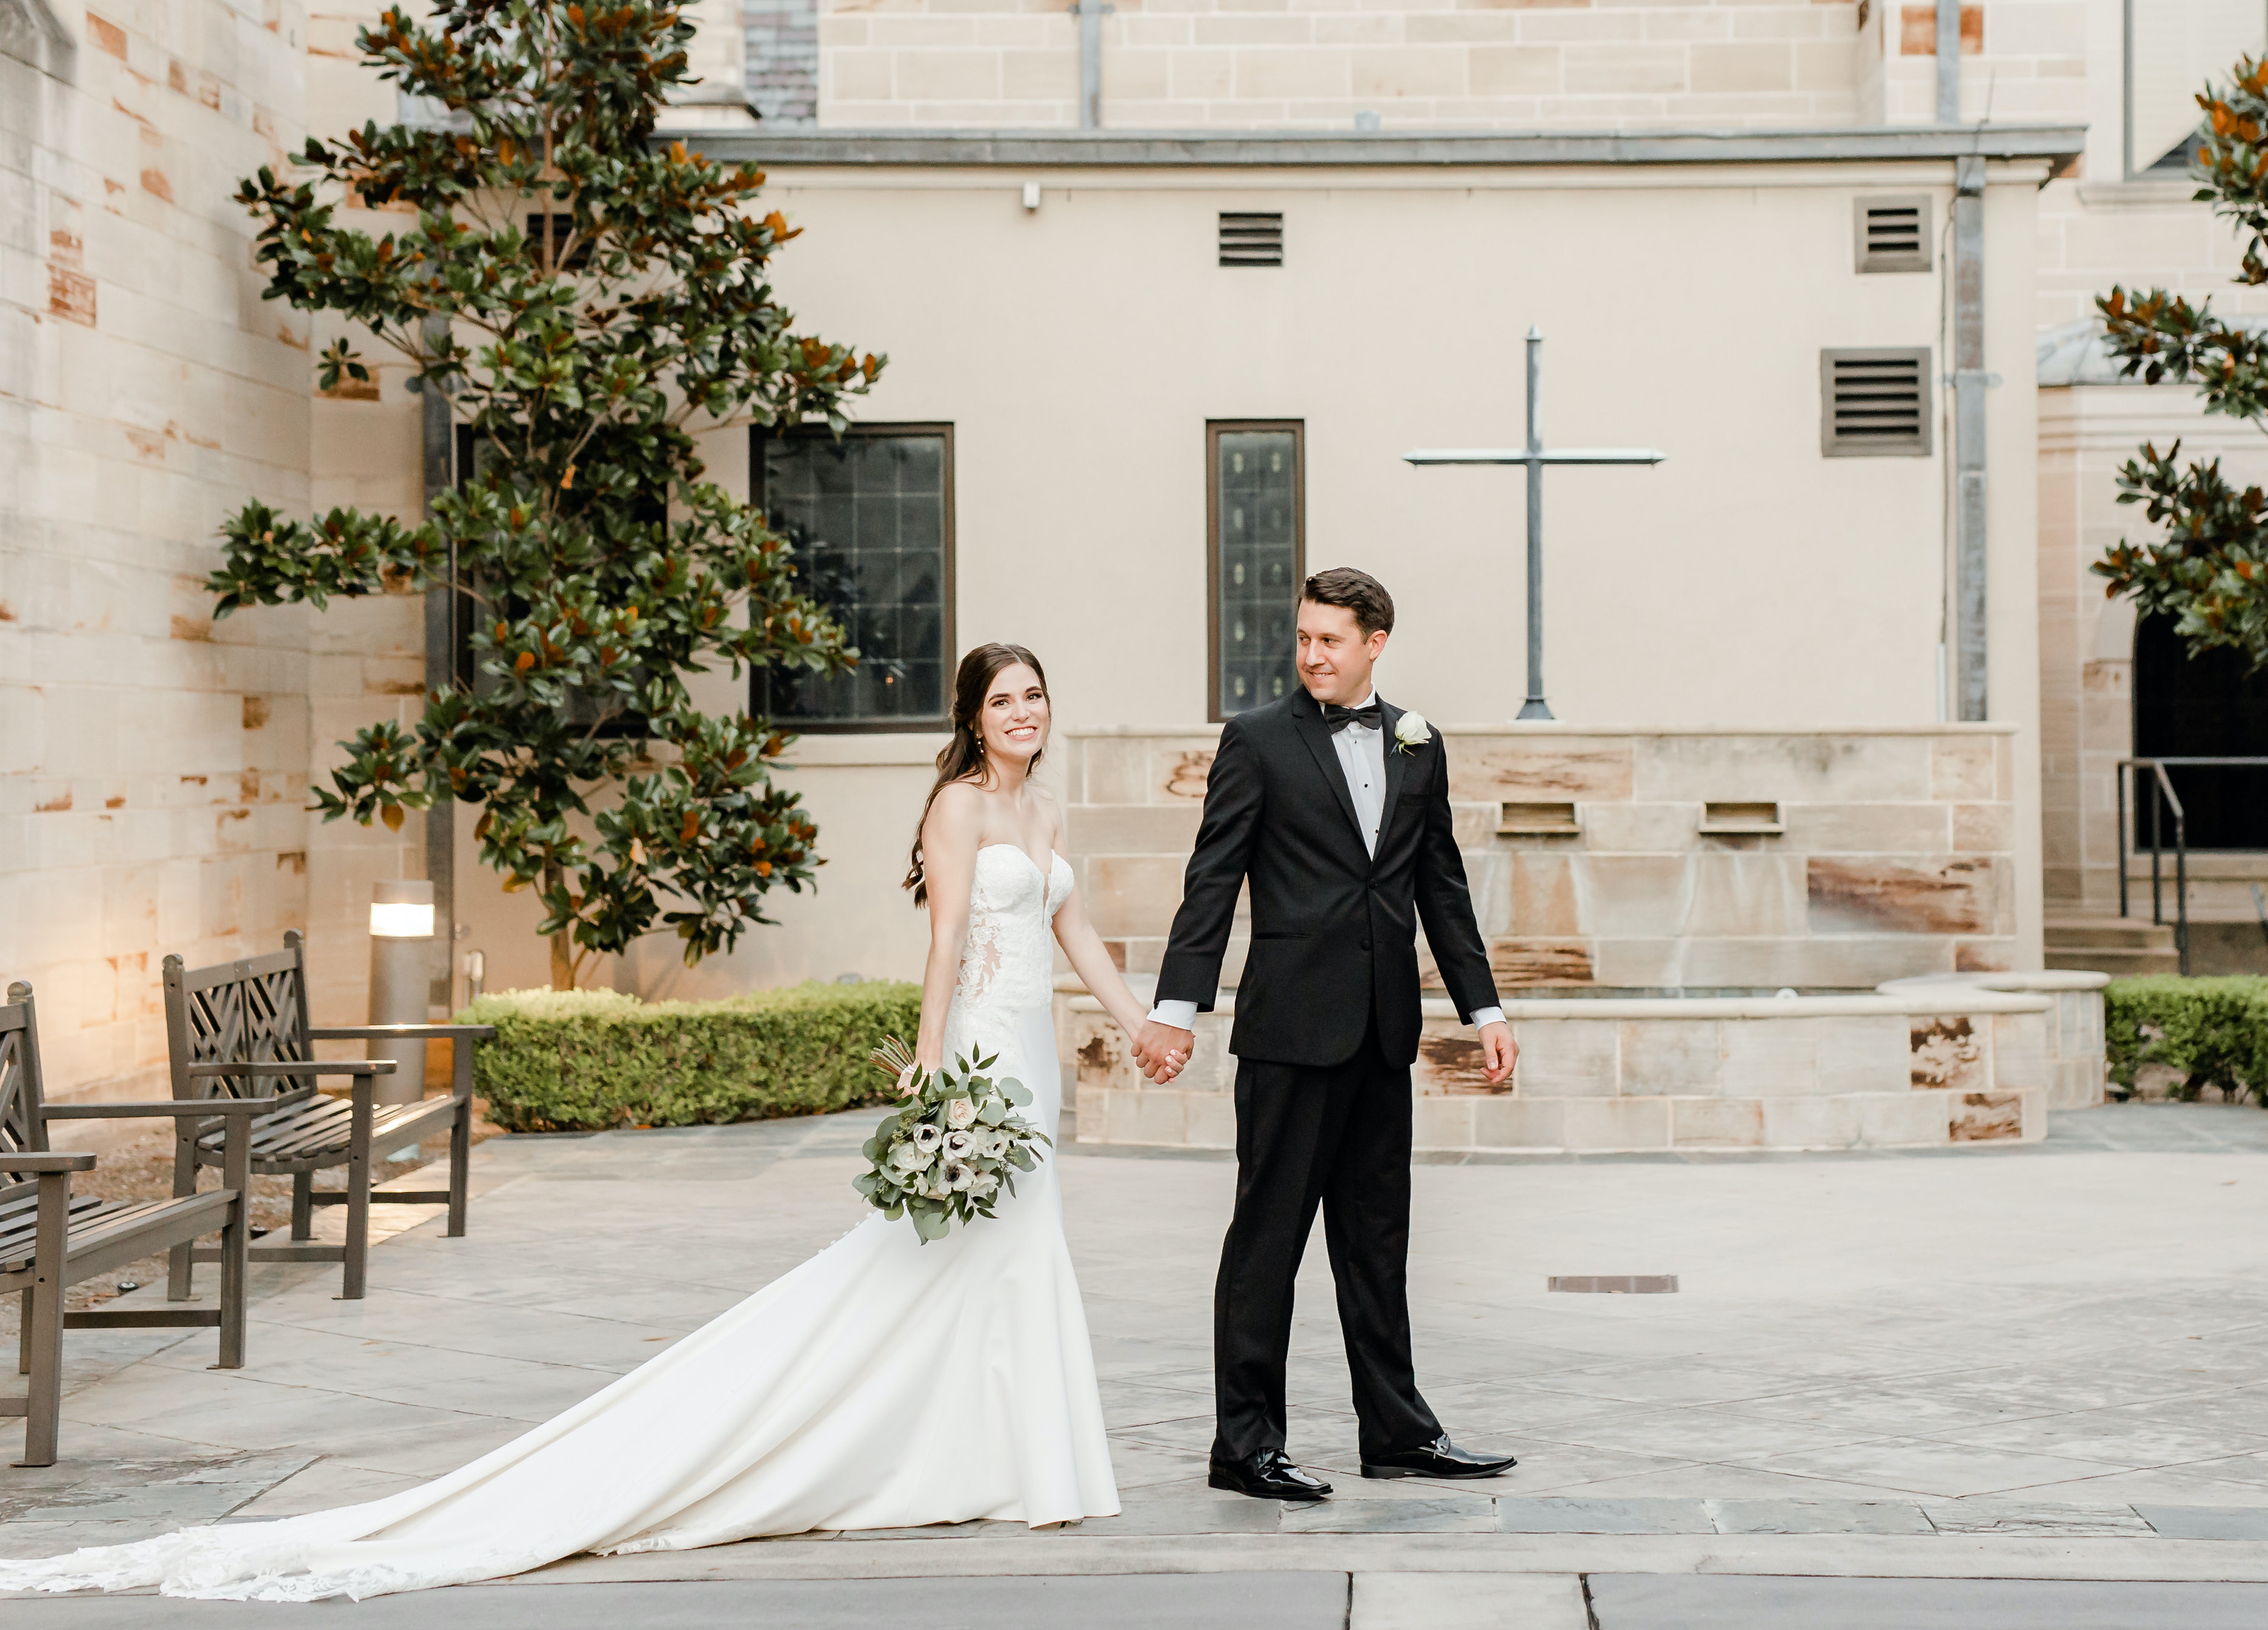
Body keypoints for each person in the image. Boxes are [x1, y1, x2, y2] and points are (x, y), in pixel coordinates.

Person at [0, 642, 1154, 1602]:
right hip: (982, 1058)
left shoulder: (1045, 806)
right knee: (941, 1255)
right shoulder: (955, 806)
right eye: (1002, 698)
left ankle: (1012, 1453)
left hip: (1036, 1067)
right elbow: (945, 944)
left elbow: (1077, 935)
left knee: (1011, 1251)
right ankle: (943, 1447)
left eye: (1034, 694)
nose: (1023, 712)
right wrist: (936, 1071)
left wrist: (1142, 1019)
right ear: (971, 716)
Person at [1132, 567, 1520, 1502]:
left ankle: (1397, 1432)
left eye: (1330, 640)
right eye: (1303, 638)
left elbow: (1442, 886)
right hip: (1288, 1034)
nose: (1311, 654)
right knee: (1266, 1242)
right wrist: (1175, 1008)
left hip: (1384, 1035)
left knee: (1377, 1242)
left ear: (1375, 642)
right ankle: (1246, 1446)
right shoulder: (1258, 741)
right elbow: (1212, 880)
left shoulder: (1419, 746)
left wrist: (1486, 1009)